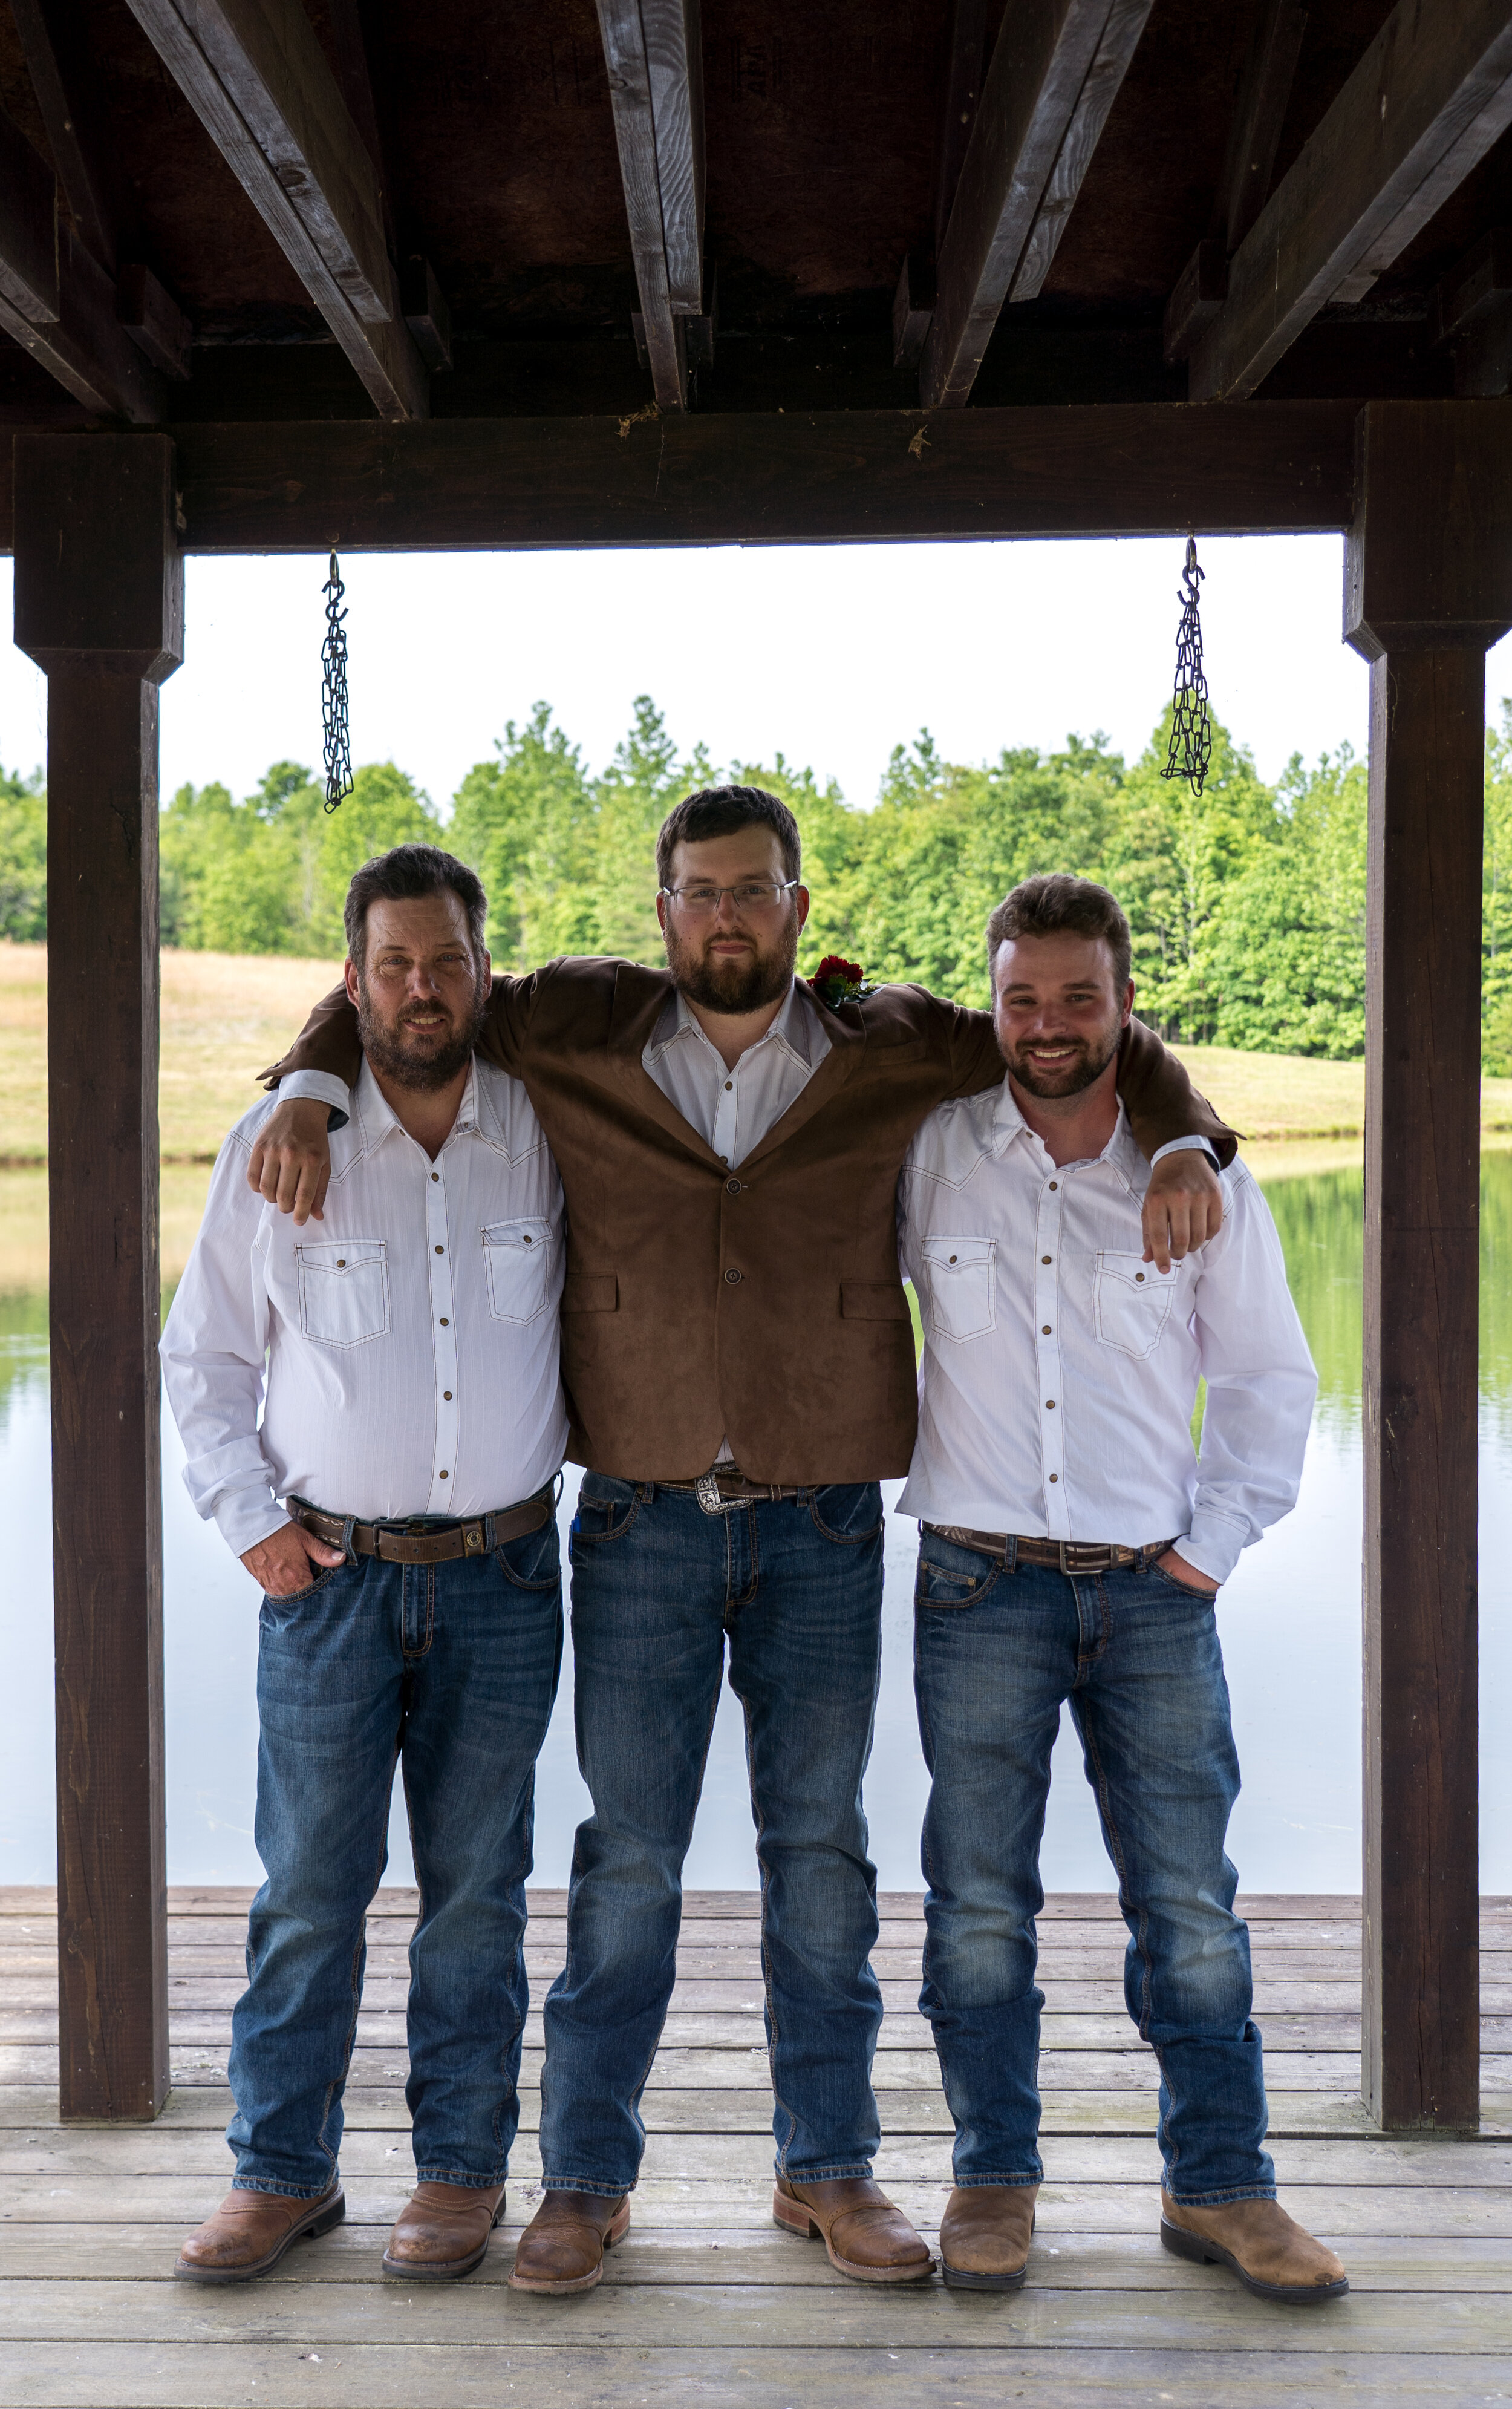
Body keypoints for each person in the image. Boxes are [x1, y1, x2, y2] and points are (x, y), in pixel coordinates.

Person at [251, 787, 1235, 2296]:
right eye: (699, 890)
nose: (727, 914)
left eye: (755, 890)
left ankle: (823, 2166)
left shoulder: (891, 1042)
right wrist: (311, 1094)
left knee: (821, 1853)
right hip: (636, 1520)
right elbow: (399, 990)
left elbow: (1083, 1035)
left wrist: (1185, 1140)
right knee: (627, 1857)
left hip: (825, 1520)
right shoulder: (568, 1028)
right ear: (661, 908)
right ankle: (583, 2177)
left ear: (796, 903)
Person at [897, 871, 1346, 2303]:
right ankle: (991, 2176)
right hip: (974, 1584)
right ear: (992, 1002)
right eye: (1020, 996)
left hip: (1154, 1589)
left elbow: (1270, 1382)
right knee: (975, 1902)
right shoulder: (928, 1156)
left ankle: (1219, 2186)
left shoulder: (1200, 1178)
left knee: (1188, 1906)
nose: (1045, 1024)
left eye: (1075, 996)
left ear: (1121, 1005)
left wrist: (1206, 1548)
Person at [161, 845, 568, 2287]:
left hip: (508, 1581)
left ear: (481, 967)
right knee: (309, 1890)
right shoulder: (279, 1141)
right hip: (329, 1583)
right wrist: (251, 1520)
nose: (419, 987)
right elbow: (202, 1359)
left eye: (444, 959)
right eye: (391, 963)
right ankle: (280, 2172)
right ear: (353, 979)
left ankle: (459, 2174)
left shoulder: (544, 1125)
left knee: (477, 1890)